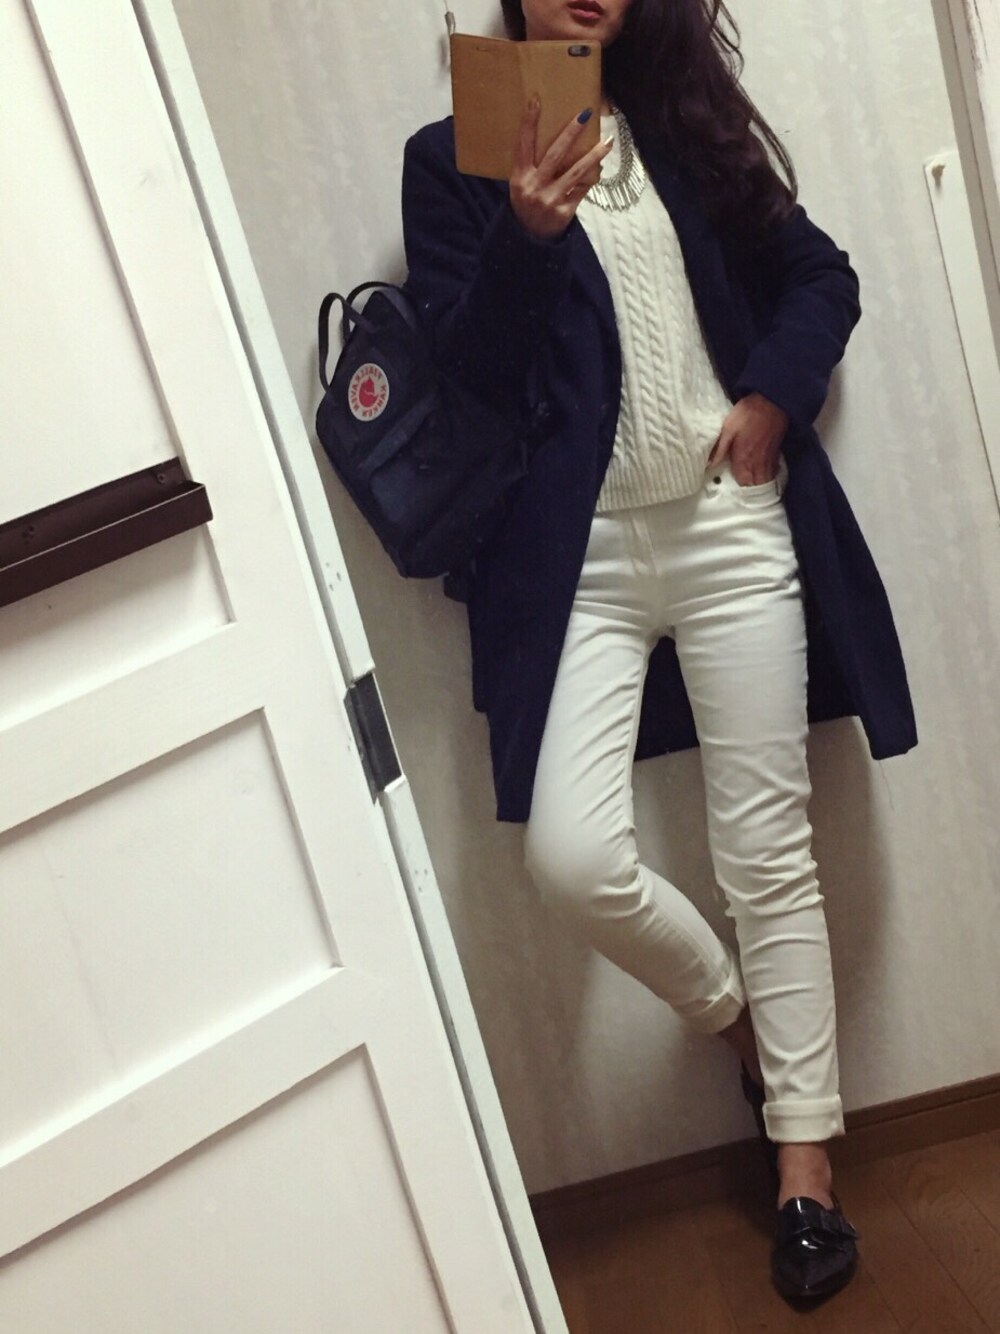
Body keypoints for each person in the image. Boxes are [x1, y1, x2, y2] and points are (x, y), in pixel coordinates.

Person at [401, 0, 916, 1303]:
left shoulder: (686, 126)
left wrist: (773, 395)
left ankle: (806, 1164)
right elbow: (469, 377)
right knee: (574, 858)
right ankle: (747, 1030)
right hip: (576, 562)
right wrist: (525, 237)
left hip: (731, 526)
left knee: (766, 850)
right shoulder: (454, 155)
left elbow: (823, 276)